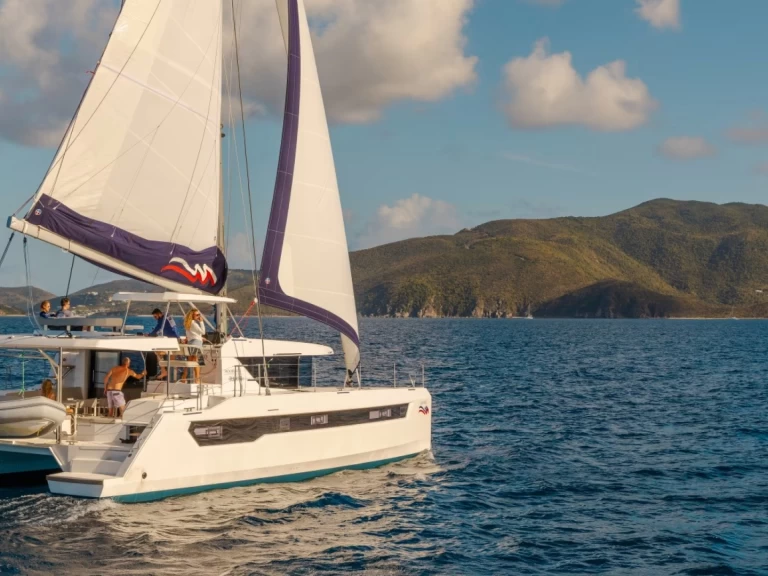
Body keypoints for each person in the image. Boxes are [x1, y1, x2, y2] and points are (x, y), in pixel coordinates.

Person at [183, 309, 205, 384]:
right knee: (196, 361)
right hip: (196, 343)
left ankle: (184, 377)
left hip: (191, 342)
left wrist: (199, 337)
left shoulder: (188, 323)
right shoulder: (194, 323)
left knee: (189, 360)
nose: (199, 316)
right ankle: (197, 379)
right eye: (197, 315)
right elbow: (203, 332)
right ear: (192, 315)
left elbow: (190, 334)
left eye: (199, 315)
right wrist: (201, 322)